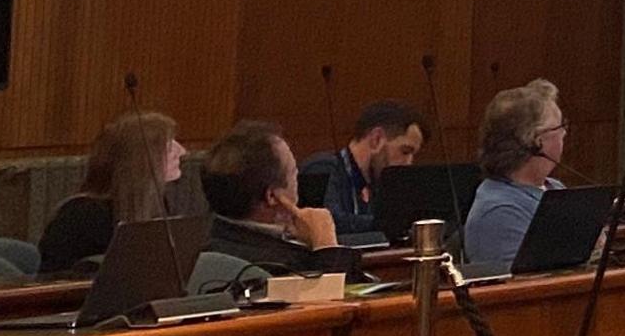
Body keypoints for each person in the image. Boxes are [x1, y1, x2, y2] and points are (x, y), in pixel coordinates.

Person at [39, 110, 183, 275]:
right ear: (139, 158)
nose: (182, 151)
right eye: (170, 146)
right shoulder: (79, 215)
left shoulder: (157, 202)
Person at [202, 120, 346, 269]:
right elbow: (336, 291)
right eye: (293, 173)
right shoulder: (278, 265)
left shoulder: (209, 244)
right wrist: (326, 244)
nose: (298, 181)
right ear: (272, 197)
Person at [461, 81, 567, 273]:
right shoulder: (499, 210)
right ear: (535, 141)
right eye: (558, 127)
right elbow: (519, 288)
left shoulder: (555, 188)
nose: (564, 133)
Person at [299, 101, 424, 242]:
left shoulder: (378, 183)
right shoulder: (319, 168)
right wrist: (387, 225)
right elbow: (323, 225)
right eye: (405, 151)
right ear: (376, 139)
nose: (409, 163)